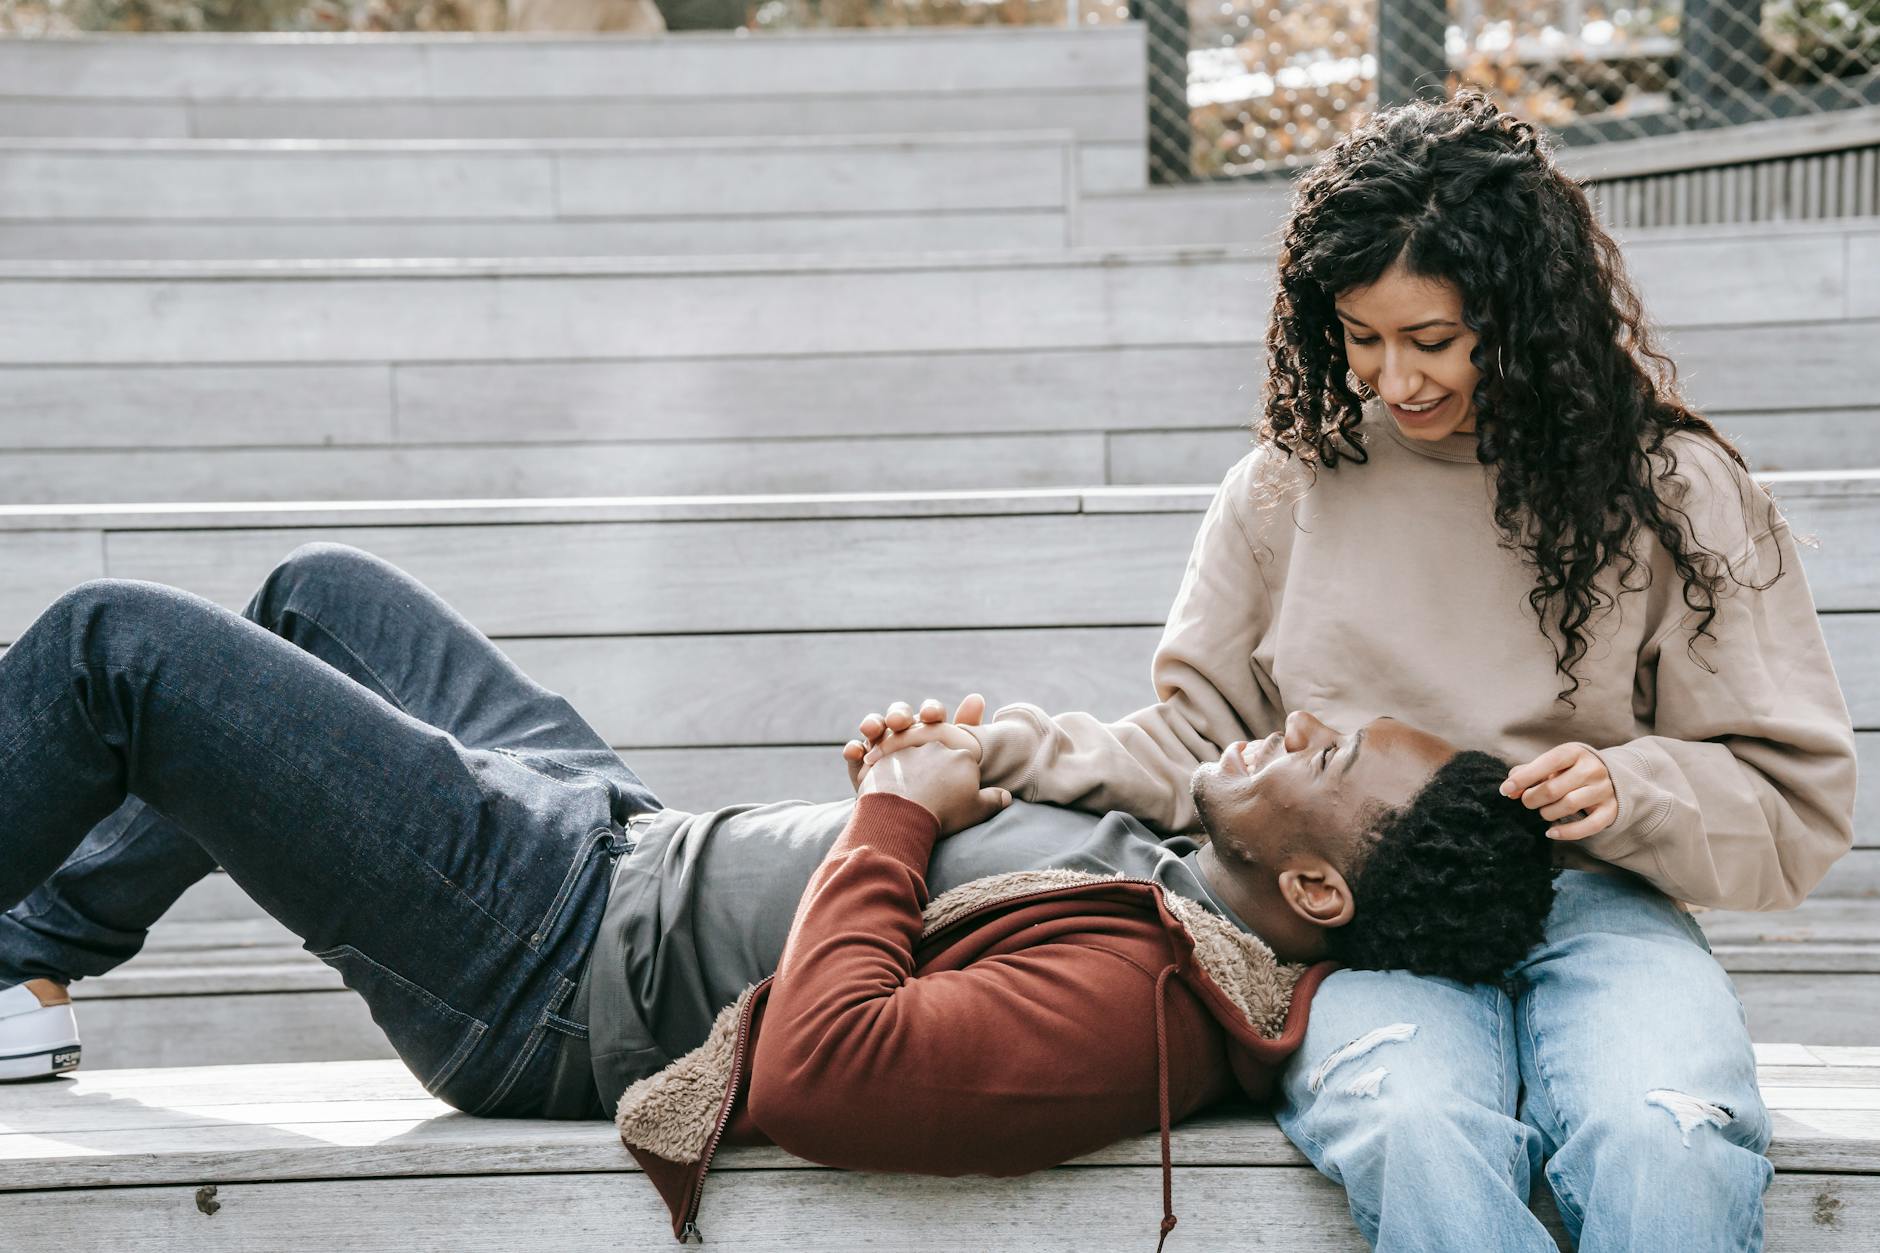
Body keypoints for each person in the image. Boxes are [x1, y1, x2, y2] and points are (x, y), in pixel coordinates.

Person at [850, 91, 1858, 1253]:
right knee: (1413, 1122)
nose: (1394, 380)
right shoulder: (1286, 486)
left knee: (1660, 1133)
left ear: (1523, 314)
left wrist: (1630, 789)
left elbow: (1793, 796)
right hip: (1351, 925)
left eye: (1432, 339)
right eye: (1359, 336)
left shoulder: (1666, 488)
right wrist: (992, 748)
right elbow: (1199, 744)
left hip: (1593, 896)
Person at [0, 543, 1555, 1241]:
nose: (1302, 716)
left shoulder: (1139, 1013)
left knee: (114, 650)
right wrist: (946, 783)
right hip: (619, 835)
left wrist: (888, 820)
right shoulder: (1188, 880)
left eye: (1333, 750)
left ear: (1320, 891)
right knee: (318, 599)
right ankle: (36, 960)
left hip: (538, 962)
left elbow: (830, 1064)